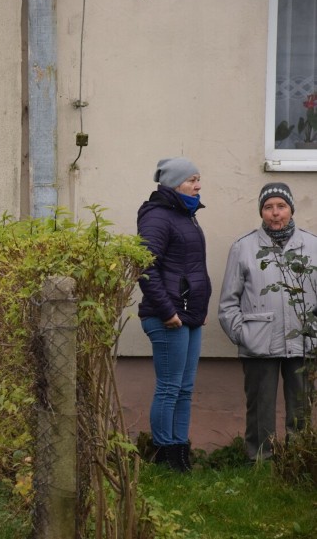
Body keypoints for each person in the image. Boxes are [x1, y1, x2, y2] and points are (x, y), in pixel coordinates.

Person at [218, 183, 316, 461]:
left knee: (301, 406)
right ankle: (260, 461)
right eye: (268, 207)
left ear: (291, 209)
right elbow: (228, 303)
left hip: (304, 341)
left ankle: (298, 461)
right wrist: (244, 335)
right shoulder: (243, 247)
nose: (275, 213)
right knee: (260, 407)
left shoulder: (312, 245)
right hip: (259, 345)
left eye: (281, 206)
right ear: (261, 211)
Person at [136, 157, 211, 472]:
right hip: (168, 316)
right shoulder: (157, 217)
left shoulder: (185, 214)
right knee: (169, 387)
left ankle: (180, 452)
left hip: (187, 316)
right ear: (175, 183)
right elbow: (145, 267)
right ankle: (164, 454)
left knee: (185, 388)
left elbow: (189, 268)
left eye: (198, 179)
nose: (198, 185)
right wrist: (168, 312)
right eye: (192, 179)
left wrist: (197, 309)